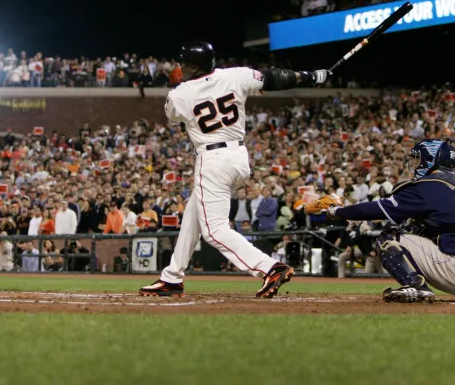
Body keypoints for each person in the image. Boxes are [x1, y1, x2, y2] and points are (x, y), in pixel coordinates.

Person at [139, 40, 330, 298]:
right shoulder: (236, 74)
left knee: (214, 230)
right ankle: (172, 277)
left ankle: (271, 267)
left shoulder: (180, 94)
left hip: (213, 159)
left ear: (194, 66)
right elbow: (276, 78)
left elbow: (175, 114)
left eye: (185, 64)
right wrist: (311, 76)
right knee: (193, 217)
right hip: (239, 157)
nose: (181, 67)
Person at [305, 139, 455, 303]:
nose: (414, 164)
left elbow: (377, 209)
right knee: (424, 227)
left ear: (430, 160)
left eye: (418, 159)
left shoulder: (427, 186)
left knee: (389, 238)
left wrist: (339, 211)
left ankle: (416, 286)